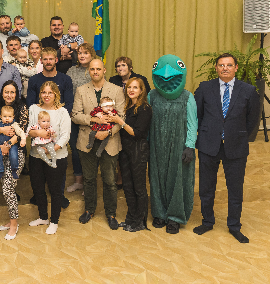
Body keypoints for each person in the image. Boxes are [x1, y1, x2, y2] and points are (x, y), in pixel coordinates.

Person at [193, 53, 259, 244]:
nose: (225, 68)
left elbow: (252, 119)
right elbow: (198, 115)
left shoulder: (248, 90)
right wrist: (206, 133)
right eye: (221, 65)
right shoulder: (205, 87)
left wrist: (238, 135)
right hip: (208, 145)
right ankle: (207, 221)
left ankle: (234, 226)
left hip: (236, 146)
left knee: (235, 189)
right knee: (206, 187)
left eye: (229, 65)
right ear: (216, 68)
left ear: (236, 68)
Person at [71, 58, 125, 230]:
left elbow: (121, 117)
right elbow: (75, 115)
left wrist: (108, 132)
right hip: (86, 141)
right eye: (92, 69)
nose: (95, 72)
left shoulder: (116, 90)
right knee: (89, 179)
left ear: (104, 70)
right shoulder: (81, 90)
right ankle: (89, 210)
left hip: (110, 142)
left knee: (110, 181)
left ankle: (111, 213)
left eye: (98, 69)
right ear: (89, 71)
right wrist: (93, 119)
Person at [147, 54, 197, 235]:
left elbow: (192, 123)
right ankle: (159, 213)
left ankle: (175, 217)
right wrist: (146, 143)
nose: (167, 79)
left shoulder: (187, 97)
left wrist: (190, 146)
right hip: (156, 144)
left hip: (180, 145)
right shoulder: (152, 96)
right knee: (157, 178)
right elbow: (146, 121)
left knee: (178, 179)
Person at [106, 77, 152, 232]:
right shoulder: (127, 106)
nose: (131, 90)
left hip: (138, 150)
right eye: (129, 87)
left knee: (139, 187)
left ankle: (140, 222)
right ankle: (130, 218)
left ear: (141, 90)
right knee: (127, 186)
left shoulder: (145, 108)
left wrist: (120, 121)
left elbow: (137, 133)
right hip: (125, 150)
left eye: (135, 87)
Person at [27, 81, 71, 235]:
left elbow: (65, 136)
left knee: (55, 190)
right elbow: (29, 130)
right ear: (40, 94)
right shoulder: (33, 109)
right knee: (38, 188)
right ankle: (43, 217)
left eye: (50, 92)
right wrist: (38, 133)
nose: (46, 95)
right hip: (36, 156)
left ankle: (54, 221)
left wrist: (51, 149)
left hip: (57, 157)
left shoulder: (62, 112)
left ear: (56, 94)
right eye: (44, 92)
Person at [0, 80, 28, 240]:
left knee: (8, 188)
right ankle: (12, 220)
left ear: (16, 93)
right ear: (2, 93)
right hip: (0, 151)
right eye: (6, 91)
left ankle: (14, 224)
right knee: (6, 187)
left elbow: (22, 131)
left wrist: (8, 144)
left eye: (12, 92)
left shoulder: (22, 108)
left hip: (16, 151)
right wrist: (2, 129)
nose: (9, 95)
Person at [65, 42, 96, 192]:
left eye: (86, 53)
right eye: (80, 53)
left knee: (89, 150)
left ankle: (89, 184)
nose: (82, 56)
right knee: (75, 149)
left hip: (91, 117)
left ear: (92, 55)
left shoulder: (95, 70)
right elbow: (67, 92)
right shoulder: (71, 70)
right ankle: (78, 181)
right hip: (73, 116)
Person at [0, 106, 27, 180]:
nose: (7, 118)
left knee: (14, 156)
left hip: (12, 145)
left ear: (13, 117)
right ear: (1, 116)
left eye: (9, 117)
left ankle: (14, 170)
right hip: (0, 145)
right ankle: (0, 171)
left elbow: (21, 132)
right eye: (5, 116)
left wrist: (23, 139)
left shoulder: (14, 125)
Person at [26, 48, 73, 113]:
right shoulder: (33, 80)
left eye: (51, 59)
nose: (48, 62)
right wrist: (43, 117)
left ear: (56, 60)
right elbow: (30, 104)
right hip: (39, 116)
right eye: (45, 59)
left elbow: (69, 104)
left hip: (60, 116)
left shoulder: (66, 79)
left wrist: (57, 116)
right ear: (41, 61)